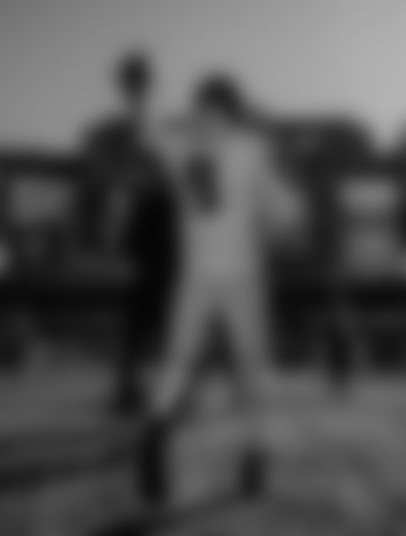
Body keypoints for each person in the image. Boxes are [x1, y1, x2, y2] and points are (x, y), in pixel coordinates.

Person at [136, 72, 306, 506]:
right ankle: (254, 456)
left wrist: (141, 95)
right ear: (234, 109)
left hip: (197, 273)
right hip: (241, 276)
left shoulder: (184, 144)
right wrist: (291, 214)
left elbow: (149, 133)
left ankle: (156, 427)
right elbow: (285, 212)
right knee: (252, 369)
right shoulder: (251, 148)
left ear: (203, 107)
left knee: (177, 360)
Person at [80, 50, 182, 417]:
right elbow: (109, 171)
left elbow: (107, 170)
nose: (135, 87)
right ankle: (140, 385)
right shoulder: (133, 126)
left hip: (153, 215)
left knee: (148, 306)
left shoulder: (129, 127)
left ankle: (136, 385)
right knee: (152, 306)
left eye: (134, 80)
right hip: (154, 215)